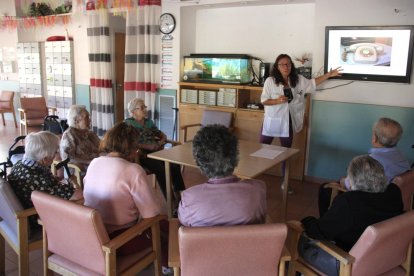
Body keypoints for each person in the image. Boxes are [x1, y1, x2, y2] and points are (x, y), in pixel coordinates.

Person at [299, 155, 404, 276]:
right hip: (385, 258)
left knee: (302, 240)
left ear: (353, 179)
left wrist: (307, 220)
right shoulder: (394, 193)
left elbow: (318, 232)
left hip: (348, 262)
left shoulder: (349, 202)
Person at [83, 122, 169, 267]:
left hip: (92, 233)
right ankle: (168, 265)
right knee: (164, 225)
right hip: (118, 241)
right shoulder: (133, 170)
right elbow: (152, 213)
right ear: (133, 148)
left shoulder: (94, 163)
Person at [260, 54, 342, 193]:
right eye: (282, 64)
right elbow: (264, 100)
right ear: (277, 67)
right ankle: (257, 180)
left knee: (286, 153)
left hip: (288, 122)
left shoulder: (298, 80)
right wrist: (277, 101)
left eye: (288, 64)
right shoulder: (270, 81)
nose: (286, 67)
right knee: (261, 149)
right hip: (272, 121)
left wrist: (329, 74)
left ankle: (285, 183)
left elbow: (313, 83)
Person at [178, 124, 267, 227]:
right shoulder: (258, 190)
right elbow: (262, 219)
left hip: (206, 243)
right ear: (235, 157)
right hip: (248, 243)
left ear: (199, 162)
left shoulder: (189, 198)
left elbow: (184, 224)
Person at [318, 117, 410, 215]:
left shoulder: (372, 162)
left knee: (325, 188)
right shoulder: (401, 157)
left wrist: (344, 181)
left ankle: (327, 222)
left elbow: (352, 185)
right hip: (393, 203)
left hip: (372, 203)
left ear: (374, 138)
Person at [8, 131, 82, 230]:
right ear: (45, 158)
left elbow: (48, 188)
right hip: (39, 220)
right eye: (55, 152)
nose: (56, 155)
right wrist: (75, 183)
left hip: (28, 212)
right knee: (83, 203)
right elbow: (78, 195)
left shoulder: (19, 165)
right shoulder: (39, 178)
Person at [125, 98, 185, 200]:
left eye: (145, 107)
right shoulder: (128, 124)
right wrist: (148, 146)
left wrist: (161, 142)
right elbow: (130, 142)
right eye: (142, 107)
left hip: (156, 151)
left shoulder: (149, 122)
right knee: (161, 169)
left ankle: (179, 195)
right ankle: (172, 201)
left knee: (174, 164)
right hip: (141, 154)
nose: (145, 109)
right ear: (133, 111)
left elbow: (161, 134)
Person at [60, 105, 100, 172]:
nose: (89, 120)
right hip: (79, 170)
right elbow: (68, 159)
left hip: (95, 165)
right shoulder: (69, 135)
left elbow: (101, 146)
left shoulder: (89, 133)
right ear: (76, 121)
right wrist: (88, 162)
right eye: (86, 118)